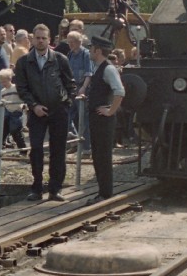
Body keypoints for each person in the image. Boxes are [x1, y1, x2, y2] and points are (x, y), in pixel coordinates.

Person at [15, 23, 77, 201]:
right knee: (36, 149)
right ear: (32, 39)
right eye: (37, 38)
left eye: (44, 38)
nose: (40, 41)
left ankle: (55, 188)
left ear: (49, 40)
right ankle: (36, 187)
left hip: (58, 111)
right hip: (36, 112)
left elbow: (71, 84)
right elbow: (22, 88)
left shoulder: (60, 59)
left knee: (58, 150)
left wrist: (66, 103)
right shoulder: (24, 62)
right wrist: (34, 105)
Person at [85, 35, 126, 204]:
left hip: (104, 119)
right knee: (98, 154)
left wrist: (111, 111)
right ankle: (102, 190)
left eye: (91, 48)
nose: (89, 51)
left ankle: (105, 192)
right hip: (97, 117)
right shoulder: (98, 67)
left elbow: (120, 91)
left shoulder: (108, 69)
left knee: (103, 155)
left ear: (98, 50)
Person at [66, 31, 93, 153]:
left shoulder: (86, 54)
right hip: (72, 88)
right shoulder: (70, 55)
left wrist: (83, 88)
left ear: (79, 42)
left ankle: (86, 148)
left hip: (82, 88)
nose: (70, 44)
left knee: (83, 118)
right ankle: (74, 140)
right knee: (69, 115)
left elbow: (89, 73)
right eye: (69, 42)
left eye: (73, 42)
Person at [0, 68, 28, 154]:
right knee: (3, 130)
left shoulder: (16, 88)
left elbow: (23, 97)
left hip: (16, 111)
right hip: (7, 111)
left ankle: (23, 150)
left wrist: (24, 105)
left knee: (15, 131)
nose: (3, 84)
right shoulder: (2, 91)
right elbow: (2, 101)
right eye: (1, 82)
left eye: (4, 81)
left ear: (10, 79)